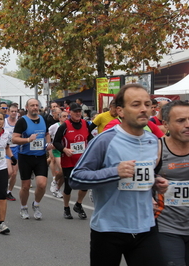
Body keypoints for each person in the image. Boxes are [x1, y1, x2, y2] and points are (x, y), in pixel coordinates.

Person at [69, 84, 168, 266]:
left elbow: (144, 176)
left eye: (147, 104)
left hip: (145, 228)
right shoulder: (104, 140)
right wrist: (114, 172)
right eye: (136, 104)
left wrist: (155, 182)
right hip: (109, 230)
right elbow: (76, 178)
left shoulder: (153, 141)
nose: (144, 109)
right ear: (120, 111)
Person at [155, 100, 189, 266]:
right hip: (167, 228)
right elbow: (139, 183)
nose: (188, 125)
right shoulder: (157, 149)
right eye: (181, 120)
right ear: (166, 124)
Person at [12, 98, 54, 220]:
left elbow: (46, 134)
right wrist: (27, 140)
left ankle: (36, 204)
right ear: (27, 107)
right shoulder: (22, 121)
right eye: (32, 105)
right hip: (25, 157)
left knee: (42, 184)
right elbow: (14, 139)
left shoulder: (43, 119)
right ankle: (23, 207)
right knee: (25, 186)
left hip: (40, 156)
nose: (35, 107)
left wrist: (48, 144)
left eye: (37, 105)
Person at [53, 102, 93, 219]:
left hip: (83, 161)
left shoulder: (85, 123)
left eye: (79, 111)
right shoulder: (64, 126)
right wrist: (64, 149)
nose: (78, 113)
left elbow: (89, 137)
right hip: (69, 161)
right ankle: (66, 208)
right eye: (75, 111)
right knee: (69, 186)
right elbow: (56, 142)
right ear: (70, 112)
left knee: (85, 184)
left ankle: (78, 204)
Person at [48, 110, 68, 198]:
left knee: (65, 172)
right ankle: (54, 181)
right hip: (57, 150)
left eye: (67, 116)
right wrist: (50, 144)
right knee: (63, 169)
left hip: (66, 150)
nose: (66, 118)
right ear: (59, 118)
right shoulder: (54, 126)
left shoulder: (69, 126)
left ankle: (57, 188)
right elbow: (47, 134)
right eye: (64, 116)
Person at [4, 103, 20, 201]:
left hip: (16, 149)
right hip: (6, 149)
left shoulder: (19, 122)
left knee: (14, 173)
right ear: (8, 112)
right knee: (9, 172)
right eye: (12, 111)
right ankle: (3, 187)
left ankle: (9, 191)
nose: (14, 113)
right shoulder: (4, 122)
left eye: (15, 111)